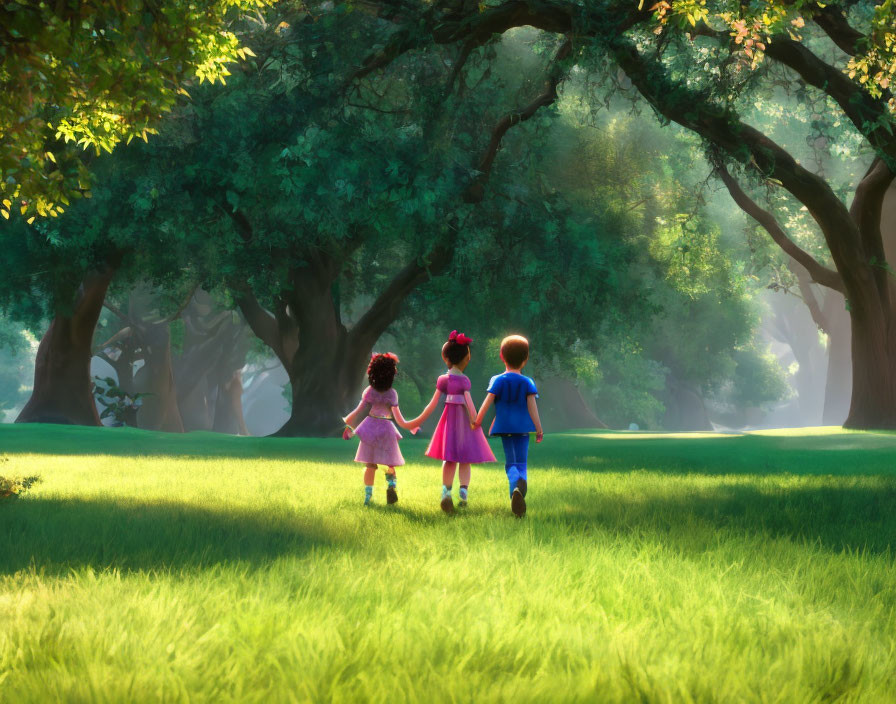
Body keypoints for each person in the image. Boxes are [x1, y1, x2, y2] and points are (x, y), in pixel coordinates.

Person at [409, 330, 496, 513]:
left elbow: (431, 406)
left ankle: (446, 492)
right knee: (465, 459)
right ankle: (463, 493)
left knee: (449, 459)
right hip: (465, 423)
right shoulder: (464, 380)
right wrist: (475, 420)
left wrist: (417, 422)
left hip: (449, 422)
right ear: (466, 359)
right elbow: (470, 404)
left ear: (445, 357)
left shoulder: (443, 380)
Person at [473, 334, 543, 517]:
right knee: (522, 462)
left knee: (510, 462)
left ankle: (515, 487)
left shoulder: (498, 380)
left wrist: (478, 420)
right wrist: (539, 428)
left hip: (505, 429)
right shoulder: (528, 382)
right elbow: (532, 407)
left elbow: (487, 403)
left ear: (501, 355)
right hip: (522, 429)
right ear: (526, 359)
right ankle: (520, 487)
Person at [342, 353, 417, 506]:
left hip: (369, 428)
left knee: (370, 465)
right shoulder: (392, 394)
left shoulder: (369, 391)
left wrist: (349, 425)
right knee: (390, 463)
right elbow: (399, 418)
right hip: (386, 430)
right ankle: (391, 487)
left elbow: (357, 412)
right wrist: (412, 425)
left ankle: (368, 497)